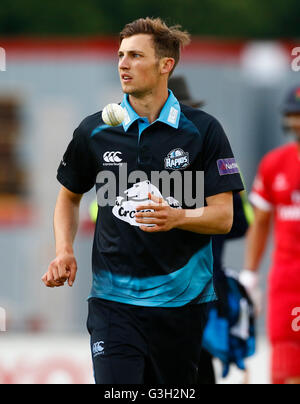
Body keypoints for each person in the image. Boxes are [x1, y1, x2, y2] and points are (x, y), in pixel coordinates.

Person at [42, 17, 244, 384]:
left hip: (183, 303)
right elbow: (68, 198)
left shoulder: (204, 130)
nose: (123, 63)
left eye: (135, 55)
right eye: (120, 55)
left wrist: (177, 217)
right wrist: (63, 250)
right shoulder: (94, 130)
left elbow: (224, 217)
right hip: (112, 302)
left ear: (166, 64)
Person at [169, 76, 256, 384]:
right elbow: (241, 223)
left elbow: (102, 214)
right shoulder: (218, 157)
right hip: (202, 284)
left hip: (183, 287)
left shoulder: (142, 156)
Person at [240, 85, 300, 384]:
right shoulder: (275, 164)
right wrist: (250, 275)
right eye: (292, 115)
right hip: (287, 280)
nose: (296, 122)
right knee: (286, 367)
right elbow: (260, 222)